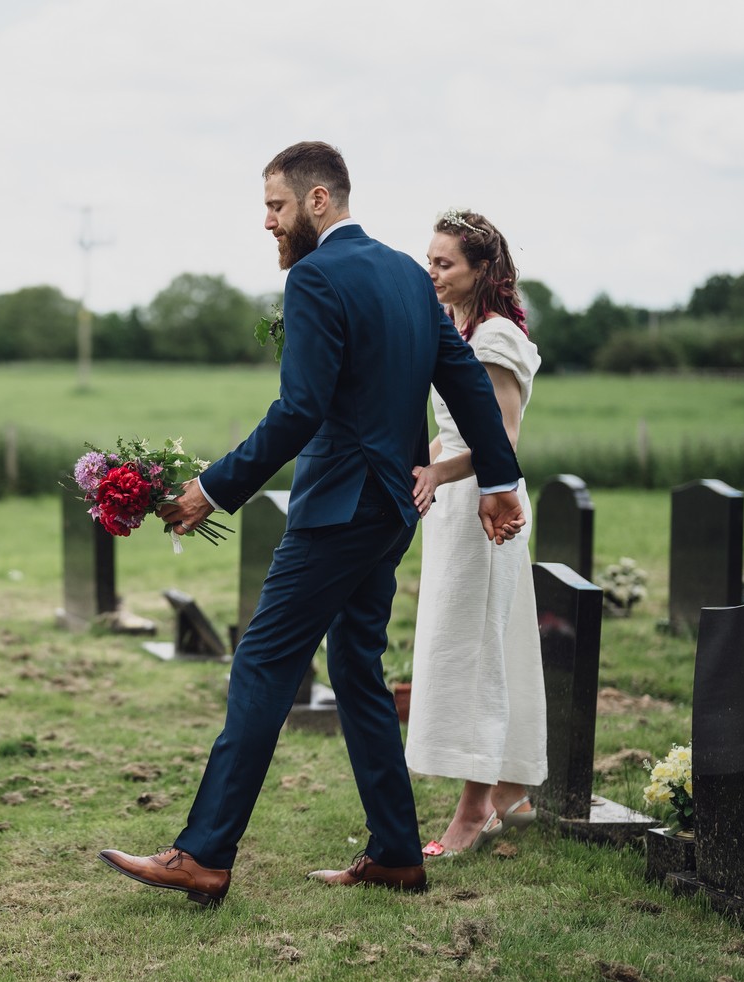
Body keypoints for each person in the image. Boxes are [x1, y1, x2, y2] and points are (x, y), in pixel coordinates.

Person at [98, 142, 525, 905]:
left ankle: (203, 852)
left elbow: (301, 409)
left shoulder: (317, 276)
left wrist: (211, 488)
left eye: (276, 206)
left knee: (261, 661)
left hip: (337, 508)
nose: (267, 222)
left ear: (319, 199)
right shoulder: (403, 271)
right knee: (358, 669)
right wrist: (499, 479)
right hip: (391, 508)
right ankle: (397, 851)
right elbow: (460, 380)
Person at [404, 209, 547, 857]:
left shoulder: (494, 339)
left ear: (483, 269)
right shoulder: (456, 328)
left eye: (445, 263)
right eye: (429, 260)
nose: (432, 273)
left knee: (478, 652)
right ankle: (512, 790)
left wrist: (436, 470)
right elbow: (456, 429)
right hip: (456, 510)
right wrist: (417, 464)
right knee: (487, 642)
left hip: (490, 509)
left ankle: (473, 811)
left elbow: (502, 444)